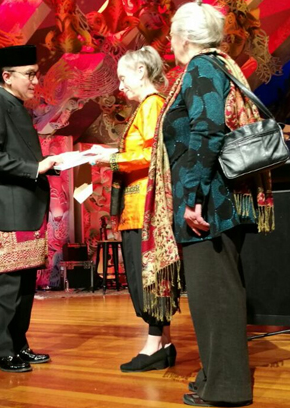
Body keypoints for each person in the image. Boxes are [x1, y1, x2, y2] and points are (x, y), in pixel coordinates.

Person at [158, 1, 272, 406]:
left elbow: (207, 132)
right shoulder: (218, 65)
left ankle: (226, 388)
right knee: (213, 294)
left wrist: (192, 199)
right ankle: (213, 376)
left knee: (216, 296)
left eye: (172, 34)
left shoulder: (201, 67)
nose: (170, 41)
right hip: (218, 197)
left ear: (183, 37)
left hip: (209, 202)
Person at [0, 44, 60, 373]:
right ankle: (1, 352)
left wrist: (48, 164)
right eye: (30, 75)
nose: (36, 81)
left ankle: (19, 345)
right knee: (6, 286)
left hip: (26, 209)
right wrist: (35, 168)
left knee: (24, 286)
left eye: (36, 74)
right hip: (8, 211)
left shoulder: (18, 109)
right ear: (7, 76)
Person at [94, 46, 179, 372]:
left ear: (141, 71)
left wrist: (111, 158)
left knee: (147, 277)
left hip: (144, 207)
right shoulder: (148, 106)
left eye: (123, 77)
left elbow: (151, 155)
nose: (120, 86)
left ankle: (154, 344)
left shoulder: (152, 105)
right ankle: (163, 342)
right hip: (138, 206)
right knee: (147, 276)